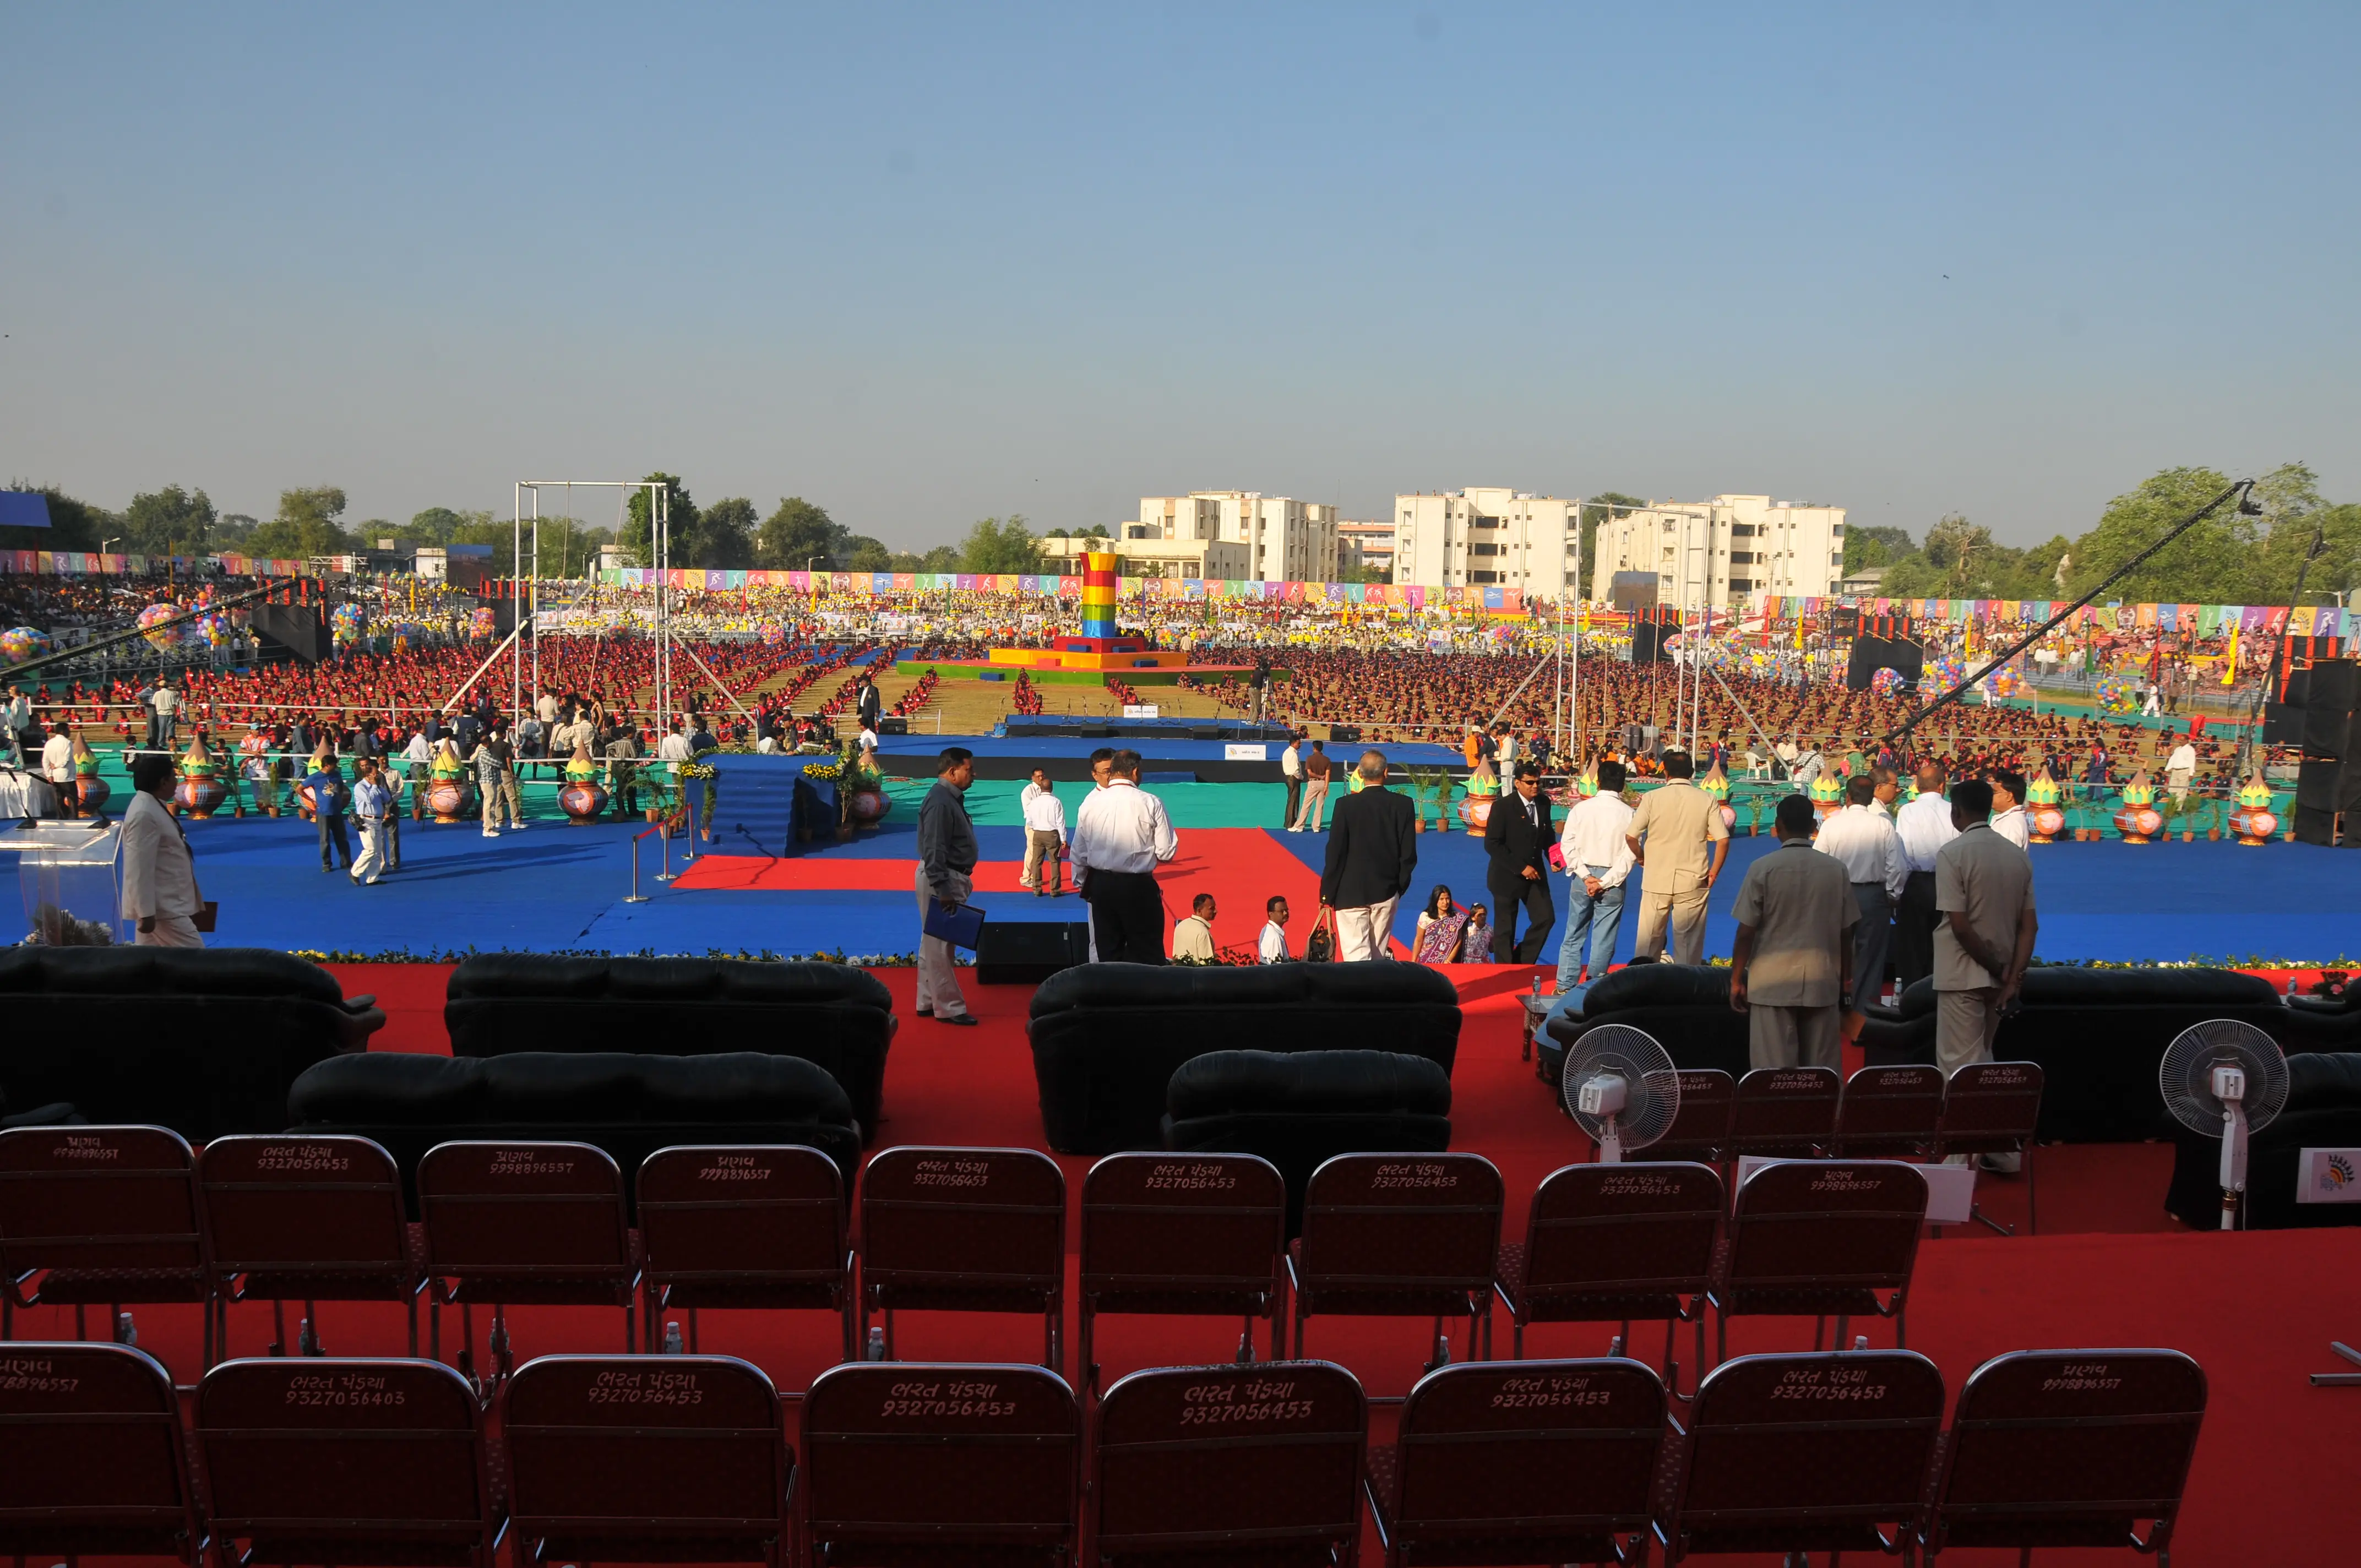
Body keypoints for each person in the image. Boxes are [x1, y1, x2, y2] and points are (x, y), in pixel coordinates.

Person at [1935, 778, 2038, 1169]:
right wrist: (2012, 977)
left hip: (1964, 974)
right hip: (2001, 981)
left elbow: (1960, 926)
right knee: (1983, 1059)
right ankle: (2001, 1150)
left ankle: (1962, 1161)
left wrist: (1997, 968)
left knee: (1959, 1070)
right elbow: (2030, 927)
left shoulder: (1953, 854)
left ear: (1956, 812)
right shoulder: (2017, 857)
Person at [1729, 793, 1859, 1069]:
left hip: (1771, 982)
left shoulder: (1762, 868)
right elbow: (1847, 932)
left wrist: (1736, 979)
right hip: (1822, 979)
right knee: (1821, 1071)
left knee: (1772, 1072)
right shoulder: (1836, 869)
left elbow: (1746, 932)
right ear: (1814, 825)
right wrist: (1846, 981)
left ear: (1778, 825)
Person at [1071, 748, 1179, 964]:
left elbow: (1079, 853)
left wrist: (1087, 884)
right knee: (1147, 952)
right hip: (1137, 887)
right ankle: (1145, 997)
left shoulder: (1090, 803)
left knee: (1108, 954)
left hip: (1101, 886)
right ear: (1135, 772)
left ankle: (1110, 996)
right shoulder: (1150, 802)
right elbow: (1166, 852)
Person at [1624, 749, 1729, 966]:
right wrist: (1714, 873)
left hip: (1656, 876)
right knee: (1688, 945)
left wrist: (1641, 857)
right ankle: (1685, 993)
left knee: (1648, 941)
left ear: (1666, 773)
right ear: (1692, 773)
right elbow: (1723, 840)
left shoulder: (1652, 798)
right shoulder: (1708, 798)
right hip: (1693, 878)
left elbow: (1631, 836)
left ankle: (1642, 989)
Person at [1814, 772, 1908, 1012]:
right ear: (1870, 798)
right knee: (1871, 956)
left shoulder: (1832, 824)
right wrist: (1892, 895)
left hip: (1838, 894)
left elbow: (1818, 862)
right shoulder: (1883, 825)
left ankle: (1829, 1010)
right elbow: (1896, 867)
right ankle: (1864, 1016)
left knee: (1832, 952)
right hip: (1872, 895)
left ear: (1847, 797)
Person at [1319, 749, 1417, 961]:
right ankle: (1373, 994)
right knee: (1377, 956)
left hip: (1349, 893)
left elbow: (1335, 853)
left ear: (1360, 775)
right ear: (1386, 772)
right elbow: (1408, 853)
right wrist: (1399, 887)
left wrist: (1327, 894)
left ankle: (1359, 995)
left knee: (1356, 958)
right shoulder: (1403, 805)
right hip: (1387, 890)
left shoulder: (1345, 805)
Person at [1554, 757, 1636, 993]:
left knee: (1574, 932)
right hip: (1613, 881)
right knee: (1604, 937)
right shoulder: (1629, 814)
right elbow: (1630, 853)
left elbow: (1567, 846)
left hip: (1583, 877)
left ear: (1598, 782)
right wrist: (1606, 881)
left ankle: (1565, 986)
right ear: (1622, 785)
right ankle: (1593, 987)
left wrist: (1585, 876)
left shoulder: (1580, 809)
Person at [915, 747, 980, 1025]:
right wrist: (942, 889)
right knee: (941, 946)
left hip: (946, 875)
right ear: (953, 772)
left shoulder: (946, 798)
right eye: (969, 769)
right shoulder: (942, 801)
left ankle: (927, 1000)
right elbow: (934, 849)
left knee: (931, 944)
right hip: (942, 877)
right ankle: (950, 1007)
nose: (973, 775)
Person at [121, 750, 203, 946]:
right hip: (164, 911)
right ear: (163, 782)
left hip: (165, 907)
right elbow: (138, 868)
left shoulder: (151, 806)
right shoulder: (144, 814)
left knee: (150, 965)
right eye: (174, 776)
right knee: (200, 964)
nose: (177, 781)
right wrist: (146, 912)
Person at [1483, 763, 1556, 964]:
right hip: (1506, 876)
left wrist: (1554, 858)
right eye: (1530, 782)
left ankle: (1522, 962)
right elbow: (1492, 844)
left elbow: (1548, 834)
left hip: (1536, 875)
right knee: (1505, 930)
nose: (1535, 786)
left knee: (1546, 918)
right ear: (1517, 783)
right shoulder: (1503, 807)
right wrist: (1521, 868)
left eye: (1538, 782)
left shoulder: (1544, 803)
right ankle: (1505, 973)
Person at [1893, 761, 1956, 989]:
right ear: (1942, 785)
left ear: (1917, 786)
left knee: (1913, 946)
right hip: (1946, 883)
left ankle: (1912, 996)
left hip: (1916, 883)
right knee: (1943, 945)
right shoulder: (1952, 810)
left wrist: (1896, 891)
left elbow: (1901, 853)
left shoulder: (1908, 811)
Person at [1020, 766, 1068, 895]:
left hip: (1038, 831)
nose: (1041, 778)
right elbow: (1060, 822)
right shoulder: (1029, 793)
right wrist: (1063, 839)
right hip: (1049, 833)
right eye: (1039, 776)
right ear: (1033, 778)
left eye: (1043, 776)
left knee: (1037, 860)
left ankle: (1037, 888)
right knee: (1053, 862)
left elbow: (1030, 817)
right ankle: (1053, 889)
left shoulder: (1036, 801)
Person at [475, 725, 526, 836]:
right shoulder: (487, 752)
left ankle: (497, 822)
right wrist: (512, 773)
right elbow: (501, 763)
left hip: (495, 778)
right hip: (491, 779)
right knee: (507, 798)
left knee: (496, 800)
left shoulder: (489, 750)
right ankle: (510, 822)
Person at [307, 754, 353, 874]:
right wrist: (312, 801)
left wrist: (341, 799)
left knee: (342, 838)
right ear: (327, 766)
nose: (336, 767)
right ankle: (326, 863)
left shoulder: (337, 775)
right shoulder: (315, 777)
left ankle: (346, 862)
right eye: (334, 765)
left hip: (337, 811)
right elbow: (300, 788)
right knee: (325, 840)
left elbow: (342, 787)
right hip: (323, 813)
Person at [350, 755, 393, 886]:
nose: (378, 774)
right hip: (366, 821)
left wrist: (378, 787)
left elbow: (387, 798)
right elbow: (368, 799)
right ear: (369, 775)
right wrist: (374, 787)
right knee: (370, 849)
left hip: (378, 821)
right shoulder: (360, 787)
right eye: (376, 772)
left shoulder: (377, 787)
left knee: (377, 852)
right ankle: (355, 872)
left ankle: (373, 878)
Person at [1412, 884, 1472, 963]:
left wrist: (1448, 961)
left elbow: (1458, 941)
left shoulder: (1456, 919)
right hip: (1426, 961)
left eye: (1448, 899)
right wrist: (1413, 962)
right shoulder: (1426, 916)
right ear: (1435, 900)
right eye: (1442, 899)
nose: (1445, 902)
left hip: (1447, 963)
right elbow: (1419, 939)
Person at [1293, 739, 1333, 831]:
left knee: (1307, 805)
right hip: (1323, 784)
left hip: (1313, 783)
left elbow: (1310, 773)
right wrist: (1326, 786)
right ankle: (1316, 827)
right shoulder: (1327, 760)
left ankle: (1299, 826)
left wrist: (1319, 776)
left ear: (1314, 748)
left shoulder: (1310, 759)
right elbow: (1328, 775)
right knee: (1320, 806)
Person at [1989, 767, 2030, 851]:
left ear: (2009, 796)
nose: (1991, 795)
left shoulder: (2011, 825)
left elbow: (2008, 860)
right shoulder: (2010, 819)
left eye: (1995, 792)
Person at [1172, 893, 1217, 962]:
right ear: (1200, 911)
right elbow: (1208, 965)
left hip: (1178, 971)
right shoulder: (1203, 933)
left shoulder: (1181, 926)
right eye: (1212, 909)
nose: (1215, 911)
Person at [2164, 732, 2197, 802]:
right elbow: (2172, 759)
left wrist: (2191, 774)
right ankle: (2174, 803)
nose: (2179, 741)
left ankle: (2178, 808)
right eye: (2179, 740)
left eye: (2181, 740)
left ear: (2186, 741)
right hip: (2175, 771)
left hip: (2185, 771)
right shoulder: (2178, 749)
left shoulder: (2190, 750)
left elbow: (2192, 762)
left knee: (2181, 791)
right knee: (2172, 790)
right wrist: (2167, 769)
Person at [1280, 732, 1303, 831]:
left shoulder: (1287, 752)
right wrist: (1301, 777)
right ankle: (1291, 823)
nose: (1300, 745)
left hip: (1289, 778)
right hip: (1293, 778)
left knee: (1292, 800)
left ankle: (1290, 822)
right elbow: (1295, 770)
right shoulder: (1292, 754)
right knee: (1293, 801)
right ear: (1293, 743)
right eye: (1299, 743)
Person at [1259, 895, 1291, 963]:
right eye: (1282, 911)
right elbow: (1277, 968)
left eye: (1286, 910)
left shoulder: (1267, 929)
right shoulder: (1275, 937)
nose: (1286, 913)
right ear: (1271, 914)